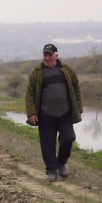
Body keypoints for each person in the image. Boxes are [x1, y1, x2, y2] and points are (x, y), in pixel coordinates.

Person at [25, 43, 82, 182]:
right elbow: (30, 94)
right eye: (45, 55)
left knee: (68, 139)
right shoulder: (36, 73)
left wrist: (78, 109)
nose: (47, 57)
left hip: (65, 114)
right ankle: (51, 171)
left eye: (50, 55)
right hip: (45, 115)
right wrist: (32, 113)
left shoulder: (67, 70)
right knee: (48, 144)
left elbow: (76, 89)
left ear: (56, 55)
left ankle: (61, 162)